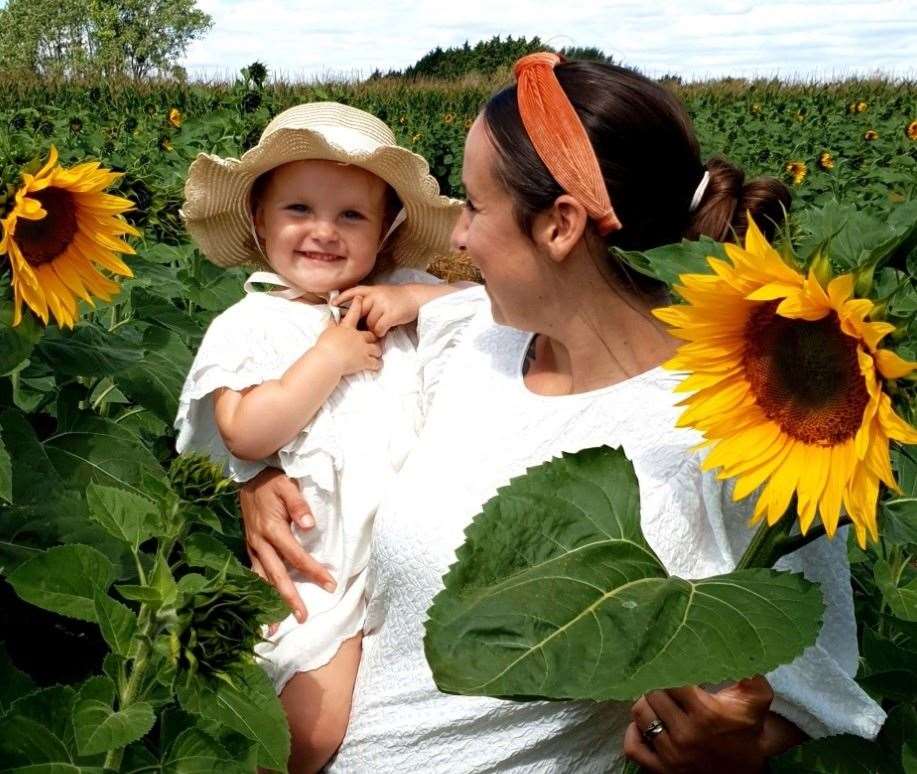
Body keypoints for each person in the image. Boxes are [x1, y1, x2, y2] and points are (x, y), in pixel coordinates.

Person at [238, 56, 886, 772]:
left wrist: (733, 752)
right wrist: (261, 479)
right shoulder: (468, 340)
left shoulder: (739, 428)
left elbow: (816, 696)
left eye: (476, 207)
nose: (457, 237)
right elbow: (320, 419)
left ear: (559, 225)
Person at [174, 102, 463, 773]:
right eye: (298, 210)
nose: (322, 232)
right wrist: (327, 359)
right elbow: (245, 432)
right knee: (308, 732)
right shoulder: (249, 324)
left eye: (351, 216)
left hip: (421, 549)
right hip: (321, 558)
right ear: (258, 221)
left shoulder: (403, 293)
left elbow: (492, 314)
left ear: (387, 229)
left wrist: (417, 303)